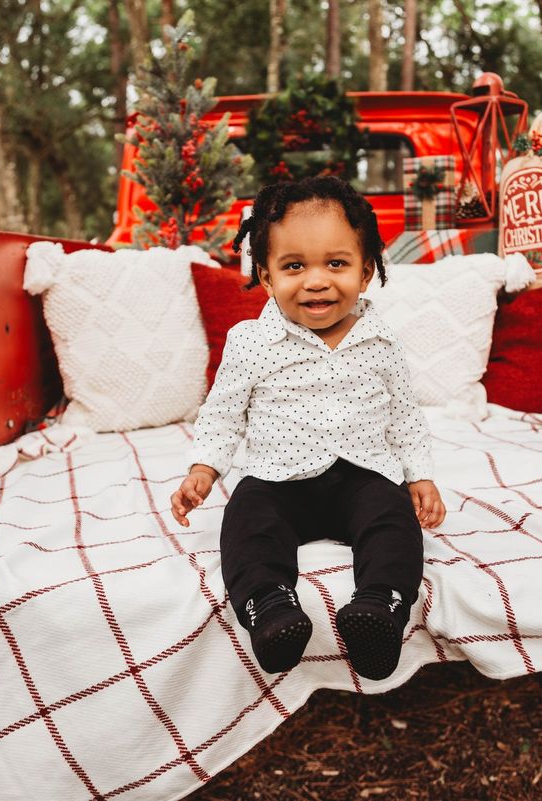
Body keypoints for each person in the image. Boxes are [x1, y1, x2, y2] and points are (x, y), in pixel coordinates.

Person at [169, 176, 445, 681]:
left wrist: (420, 476)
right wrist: (204, 468)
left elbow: (406, 413)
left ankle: (380, 608)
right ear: (267, 276)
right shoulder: (252, 342)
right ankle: (270, 609)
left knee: (393, 521)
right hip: (278, 479)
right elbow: (223, 413)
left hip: (364, 476)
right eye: (294, 266)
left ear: (366, 273)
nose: (316, 280)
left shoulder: (381, 341)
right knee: (246, 520)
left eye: (336, 264)